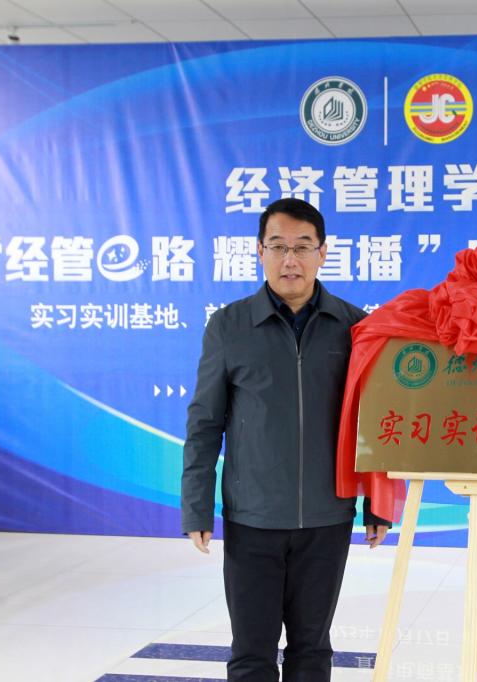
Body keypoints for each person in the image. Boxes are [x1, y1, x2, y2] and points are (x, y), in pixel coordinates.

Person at [181, 197, 388, 682]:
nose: (289, 259)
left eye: (302, 246)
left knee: (312, 650)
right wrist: (196, 506)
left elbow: (373, 423)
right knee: (251, 653)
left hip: (327, 515)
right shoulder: (230, 326)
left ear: (322, 253)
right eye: (278, 246)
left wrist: (377, 504)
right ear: (260, 251)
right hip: (253, 517)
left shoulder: (356, 327)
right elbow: (205, 422)